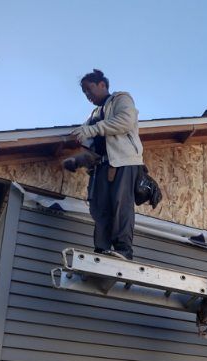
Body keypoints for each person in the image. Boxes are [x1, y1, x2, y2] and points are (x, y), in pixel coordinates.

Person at [63, 69, 144, 260]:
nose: (88, 95)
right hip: (101, 167)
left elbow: (125, 121)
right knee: (100, 210)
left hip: (123, 162)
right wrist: (76, 161)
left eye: (89, 89)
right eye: (84, 92)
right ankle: (101, 250)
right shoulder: (93, 116)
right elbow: (94, 151)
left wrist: (92, 129)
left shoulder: (121, 99)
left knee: (120, 205)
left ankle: (124, 250)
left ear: (102, 85)